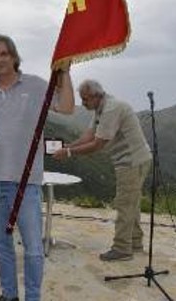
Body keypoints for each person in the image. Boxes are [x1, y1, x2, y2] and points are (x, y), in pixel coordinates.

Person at [0, 34, 74, 301]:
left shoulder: (36, 85)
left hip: (27, 182)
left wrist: (64, 73)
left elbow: (66, 107)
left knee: (32, 249)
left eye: (4, 53)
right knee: (3, 246)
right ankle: (9, 295)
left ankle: (32, 297)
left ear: (14, 56)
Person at [53, 79, 152, 261]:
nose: (82, 103)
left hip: (132, 161)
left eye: (85, 99)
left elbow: (97, 144)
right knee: (132, 203)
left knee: (124, 204)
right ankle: (135, 243)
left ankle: (122, 249)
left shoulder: (111, 109)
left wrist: (68, 152)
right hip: (133, 160)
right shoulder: (101, 108)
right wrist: (69, 145)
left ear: (96, 96)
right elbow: (89, 134)